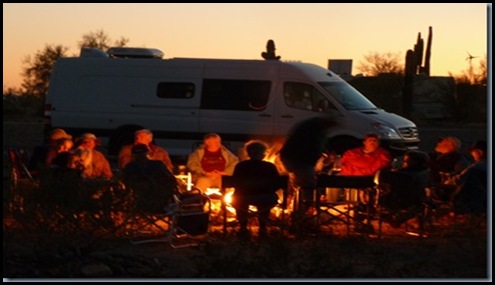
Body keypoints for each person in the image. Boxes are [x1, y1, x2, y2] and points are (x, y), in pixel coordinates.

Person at [279, 116, 336, 229]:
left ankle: (298, 216)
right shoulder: (314, 131)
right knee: (307, 190)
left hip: (295, 161)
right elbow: (311, 150)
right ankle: (298, 219)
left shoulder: (310, 129)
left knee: (302, 189)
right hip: (300, 162)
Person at [339, 132, 392, 233]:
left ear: (379, 143)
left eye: (375, 141)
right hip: (352, 181)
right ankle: (360, 219)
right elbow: (345, 168)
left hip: (371, 182)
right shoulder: (352, 153)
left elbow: (377, 169)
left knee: (367, 194)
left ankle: (363, 218)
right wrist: (365, 167)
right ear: (364, 142)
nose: (372, 143)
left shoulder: (383, 154)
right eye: (370, 140)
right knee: (359, 191)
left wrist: (358, 168)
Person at [231, 140, 281, 237]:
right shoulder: (270, 166)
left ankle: (243, 226)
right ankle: (262, 227)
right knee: (266, 201)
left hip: (243, 197)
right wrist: (268, 190)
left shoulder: (240, 166)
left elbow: (234, 183)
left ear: (248, 153)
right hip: (265, 197)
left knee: (239, 199)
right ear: (263, 154)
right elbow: (277, 183)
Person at [378, 150, 431, 227]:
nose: (403, 162)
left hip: (402, 201)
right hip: (419, 199)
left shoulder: (406, 176)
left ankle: (395, 217)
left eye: (406, 160)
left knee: (378, 196)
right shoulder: (425, 171)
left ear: (415, 162)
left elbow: (389, 180)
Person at [122, 144, 178, 212]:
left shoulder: (129, 168)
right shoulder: (158, 165)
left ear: (133, 155)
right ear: (148, 153)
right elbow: (172, 181)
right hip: (158, 203)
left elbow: (123, 182)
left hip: (137, 204)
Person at [428, 136, 470, 202]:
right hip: (431, 187)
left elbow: (461, 175)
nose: (438, 143)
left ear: (450, 145)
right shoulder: (433, 157)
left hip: (445, 190)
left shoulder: (459, 159)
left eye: (441, 142)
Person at [452, 140, 487, 215]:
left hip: (477, 200)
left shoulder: (476, 168)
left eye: (473, 152)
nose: (472, 154)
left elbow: (459, 180)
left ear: (479, 152)